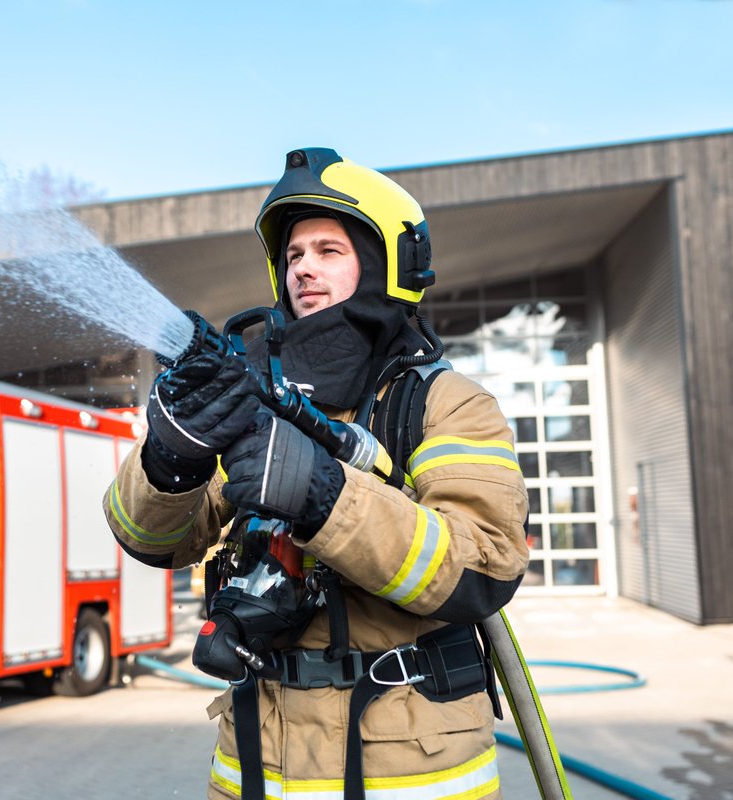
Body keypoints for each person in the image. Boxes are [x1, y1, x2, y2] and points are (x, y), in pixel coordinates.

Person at [104, 148, 529, 800]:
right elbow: (152, 538)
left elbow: (484, 563)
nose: (304, 267)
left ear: (388, 264)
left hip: (408, 769)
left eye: (329, 250)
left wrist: (326, 496)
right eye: (294, 255)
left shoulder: (447, 404)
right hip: (256, 762)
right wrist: (172, 457)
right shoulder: (257, 397)